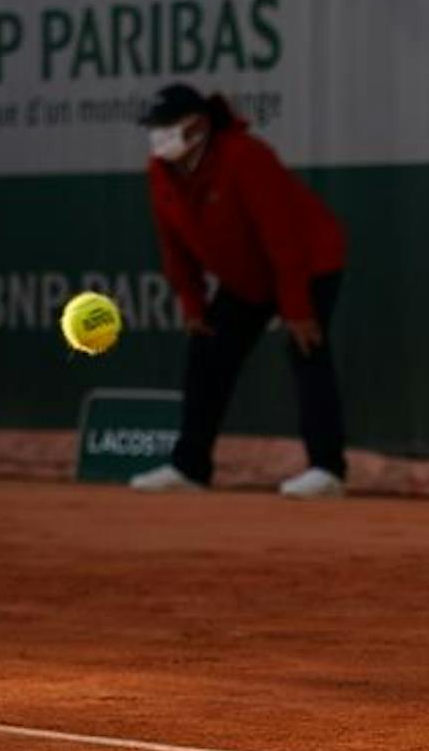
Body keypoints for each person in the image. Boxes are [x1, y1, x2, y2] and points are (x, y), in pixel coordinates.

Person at [126, 83, 352, 499]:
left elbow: (282, 239)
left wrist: (297, 311)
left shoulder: (245, 157)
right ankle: (190, 468)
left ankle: (327, 470)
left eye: (165, 126)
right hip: (247, 278)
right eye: (154, 128)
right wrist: (193, 306)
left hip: (310, 260)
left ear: (196, 127)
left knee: (305, 349)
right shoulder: (160, 173)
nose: (157, 136)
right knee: (206, 352)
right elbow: (173, 248)